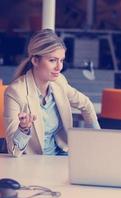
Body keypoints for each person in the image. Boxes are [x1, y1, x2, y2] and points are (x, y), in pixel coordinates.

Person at [4, 29, 100, 157]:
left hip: (63, 156)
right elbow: (14, 151)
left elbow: (86, 104)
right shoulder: (15, 92)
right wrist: (24, 129)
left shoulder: (59, 82)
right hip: (35, 162)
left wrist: (98, 140)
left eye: (61, 60)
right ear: (35, 61)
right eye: (53, 60)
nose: (59, 67)